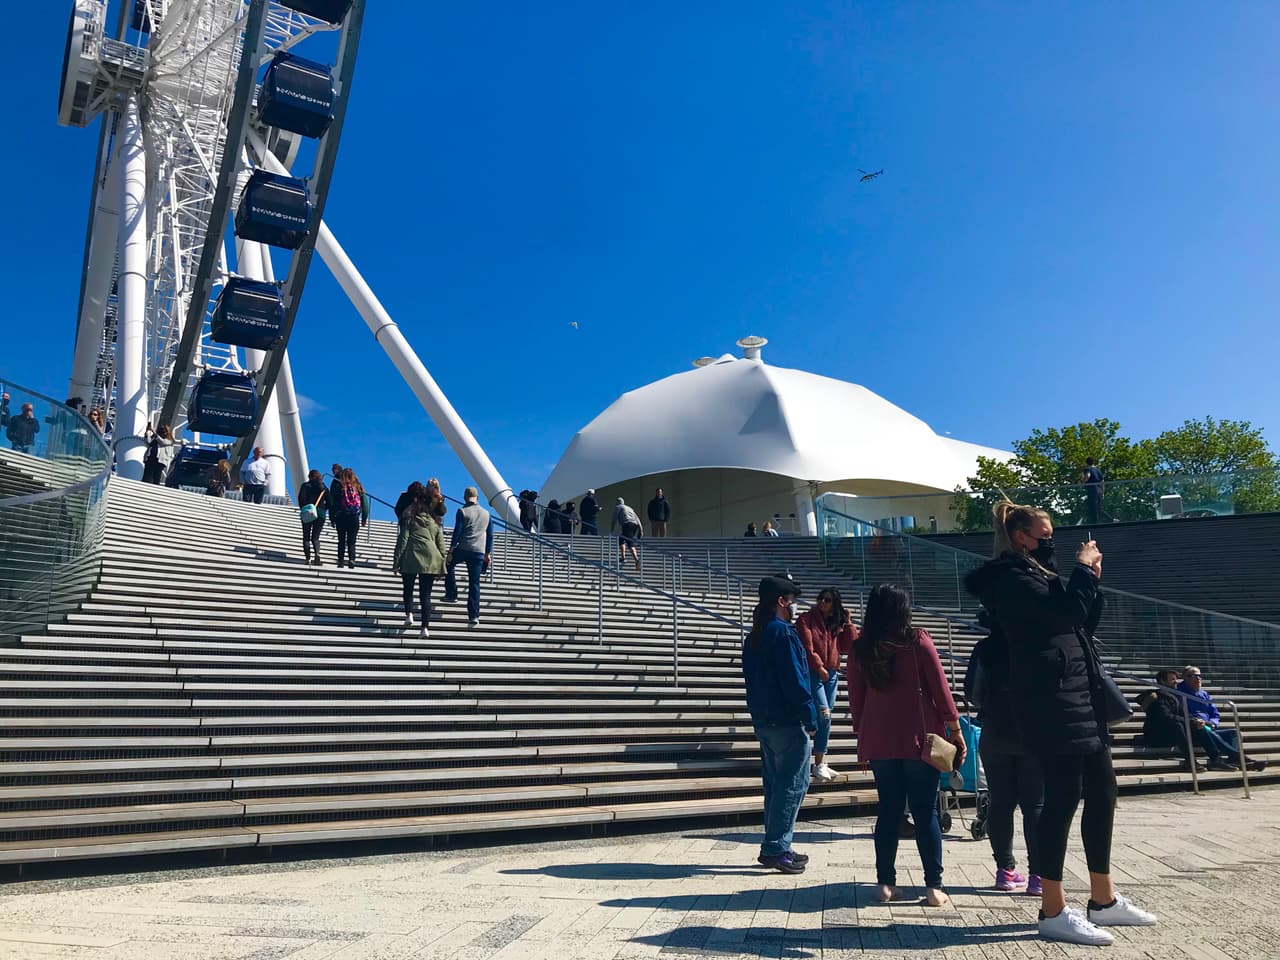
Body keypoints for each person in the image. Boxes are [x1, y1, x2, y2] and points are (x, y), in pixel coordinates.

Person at [964, 500, 1155, 946]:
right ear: (1020, 537)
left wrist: (1093, 581)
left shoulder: (1038, 572)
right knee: (1062, 798)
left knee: (1103, 790)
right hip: (1049, 701)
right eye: (1044, 532)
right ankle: (1052, 908)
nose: (1051, 538)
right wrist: (1083, 571)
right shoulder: (1009, 578)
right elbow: (1062, 615)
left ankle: (1103, 899)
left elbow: (1081, 620)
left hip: (1078, 693)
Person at [847, 584, 964, 907]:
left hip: (880, 741)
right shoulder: (917, 641)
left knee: (888, 811)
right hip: (919, 740)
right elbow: (940, 690)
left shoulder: (860, 649)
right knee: (925, 811)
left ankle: (885, 883)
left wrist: (863, 738)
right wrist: (955, 729)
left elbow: (856, 701)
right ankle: (933, 887)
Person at [965, 607, 1045, 894]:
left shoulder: (984, 649)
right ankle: (1039, 876)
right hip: (1032, 730)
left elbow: (972, 693)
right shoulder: (1035, 646)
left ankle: (1005, 870)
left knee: (1000, 802)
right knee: (1035, 804)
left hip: (995, 729)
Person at [742, 574, 815, 874]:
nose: (795, 607)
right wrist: (810, 715)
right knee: (793, 784)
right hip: (786, 720)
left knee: (776, 784)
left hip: (765, 721)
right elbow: (795, 680)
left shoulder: (755, 635)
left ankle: (779, 843)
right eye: (792, 601)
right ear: (782, 602)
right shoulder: (783, 633)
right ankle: (775, 847)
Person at [795, 588, 857, 782]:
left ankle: (820, 761)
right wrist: (819, 666)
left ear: (834, 603)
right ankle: (816, 762)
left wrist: (848, 623)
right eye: (820, 598)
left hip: (831, 674)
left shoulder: (835, 623)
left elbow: (849, 647)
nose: (822, 602)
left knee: (826, 717)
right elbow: (807, 646)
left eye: (827, 600)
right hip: (814, 672)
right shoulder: (806, 618)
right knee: (824, 714)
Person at [1177, 667, 1266, 772]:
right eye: (1192, 676)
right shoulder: (1178, 692)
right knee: (1204, 728)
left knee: (1234, 733)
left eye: (1199, 676)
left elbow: (1214, 713)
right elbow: (1180, 712)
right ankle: (1238, 757)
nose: (1197, 679)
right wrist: (1198, 722)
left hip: (1209, 728)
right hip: (1193, 730)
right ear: (1184, 678)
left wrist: (1213, 723)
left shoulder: (1204, 694)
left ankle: (1234, 759)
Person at [392, 487, 447, 638]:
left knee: (408, 589)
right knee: (426, 595)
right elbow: (441, 545)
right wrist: (442, 564)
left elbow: (402, 540)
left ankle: (409, 614)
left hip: (411, 557)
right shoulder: (434, 522)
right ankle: (425, 628)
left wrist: (396, 561)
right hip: (430, 559)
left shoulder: (408, 518)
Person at [443, 486, 493, 627]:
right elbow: (490, 535)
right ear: (477, 498)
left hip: (464, 548)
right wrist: (487, 554)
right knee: (474, 584)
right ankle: (474, 615)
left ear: (465, 498)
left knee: (448, 564)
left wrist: (451, 551)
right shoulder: (487, 514)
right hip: (479, 552)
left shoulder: (462, 511)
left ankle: (452, 594)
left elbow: (457, 532)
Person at [333, 467, 369, 568]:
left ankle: (340, 561)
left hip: (341, 515)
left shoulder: (339, 486)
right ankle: (352, 559)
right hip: (354, 517)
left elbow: (334, 502)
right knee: (352, 541)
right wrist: (364, 517)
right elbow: (365, 504)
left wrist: (333, 516)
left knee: (341, 540)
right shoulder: (358, 486)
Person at [297, 469, 330, 566]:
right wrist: (323, 509)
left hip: (308, 512)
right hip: (320, 514)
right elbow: (330, 502)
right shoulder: (324, 488)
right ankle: (317, 554)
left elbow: (301, 500)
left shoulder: (305, 486)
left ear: (310, 477)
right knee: (315, 537)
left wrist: (305, 508)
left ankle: (307, 558)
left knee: (306, 536)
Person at [610, 497, 643, 571]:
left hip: (627, 524)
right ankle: (623, 557)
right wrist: (641, 530)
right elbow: (637, 519)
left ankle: (636, 559)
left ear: (617, 502)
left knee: (629, 543)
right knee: (621, 539)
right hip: (635, 525)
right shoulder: (629, 508)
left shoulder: (618, 507)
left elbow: (614, 519)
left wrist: (612, 530)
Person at [1082, 457, 1109, 525]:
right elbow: (1102, 481)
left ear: (1086, 463)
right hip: (1099, 489)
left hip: (1092, 489)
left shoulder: (1088, 469)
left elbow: (1088, 476)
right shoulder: (1097, 470)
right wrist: (1102, 492)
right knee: (1099, 507)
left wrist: (1083, 483)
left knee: (1093, 507)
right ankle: (1109, 519)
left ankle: (1095, 523)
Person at [328, 465, 345, 533]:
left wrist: (332, 518)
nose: (332, 472)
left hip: (339, 511)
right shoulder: (349, 481)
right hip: (350, 511)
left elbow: (332, 499)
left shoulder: (335, 482)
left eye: (334, 470)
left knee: (341, 537)